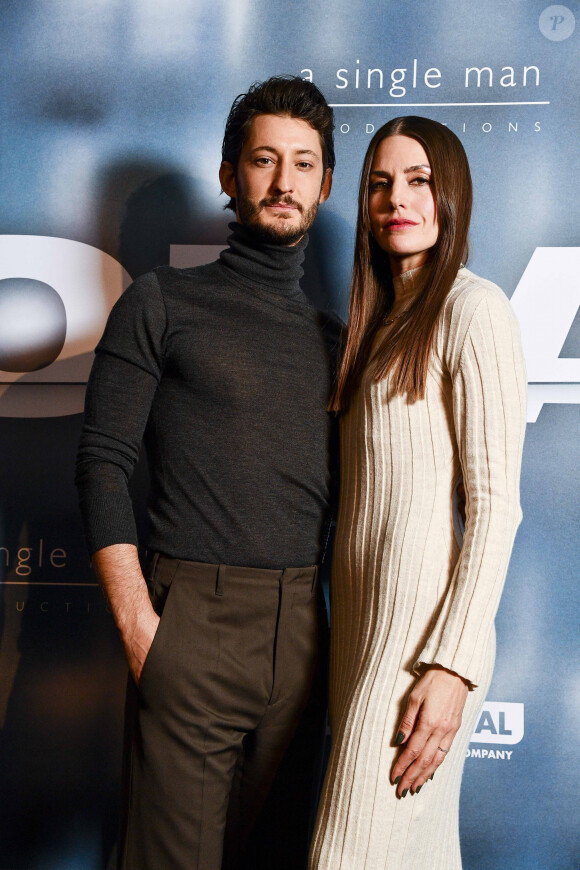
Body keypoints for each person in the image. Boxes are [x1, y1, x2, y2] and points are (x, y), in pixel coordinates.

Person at [76, 75, 341, 870]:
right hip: (190, 624)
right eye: (264, 159)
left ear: (325, 186)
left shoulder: (336, 341)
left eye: (303, 163)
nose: (283, 180)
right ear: (231, 176)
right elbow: (102, 463)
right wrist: (140, 627)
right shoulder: (161, 302)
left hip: (305, 636)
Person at [309, 116, 527, 869]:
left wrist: (452, 666)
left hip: (423, 654)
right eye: (379, 184)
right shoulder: (377, 330)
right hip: (361, 643)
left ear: (451, 194)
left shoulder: (476, 309)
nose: (396, 199)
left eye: (418, 180)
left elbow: (498, 506)